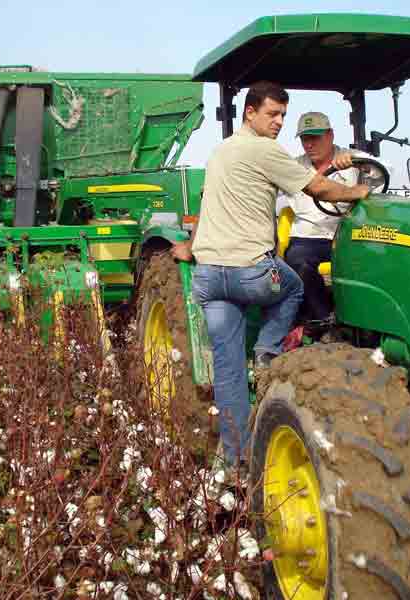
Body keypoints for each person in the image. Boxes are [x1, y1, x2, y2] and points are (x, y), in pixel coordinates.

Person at [171, 82, 369, 468]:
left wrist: (191, 248)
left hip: (209, 277)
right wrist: (360, 192)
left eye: (283, 114)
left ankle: (236, 460)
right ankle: (267, 352)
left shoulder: (220, 152)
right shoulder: (265, 150)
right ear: (250, 112)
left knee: (228, 373)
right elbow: (320, 189)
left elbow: (206, 204)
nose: (279, 122)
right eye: (272, 114)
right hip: (250, 272)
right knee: (294, 286)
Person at [278, 112, 359, 335]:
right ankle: (325, 321)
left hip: (345, 234)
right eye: (305, 139)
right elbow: (263, 189)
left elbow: (382, 170)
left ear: (330, 135)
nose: (310, 144)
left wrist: (365, 166)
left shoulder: (352, 159)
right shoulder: (294, 168)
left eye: (315, 137)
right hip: (308, 238)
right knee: (299, 261)